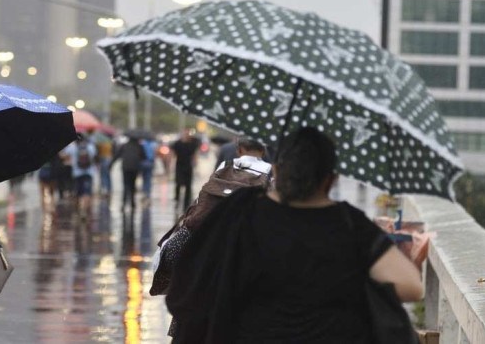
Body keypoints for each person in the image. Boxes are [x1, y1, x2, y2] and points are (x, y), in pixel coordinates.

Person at [166, 127, 424, 343]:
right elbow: (411, 287)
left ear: (276, 170)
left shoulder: (242, 212)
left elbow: (193, 281)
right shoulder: (350, 225)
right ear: (330, 180)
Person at [63, 135, 97, 221]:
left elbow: (64, 156)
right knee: (87, 193)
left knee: (77, 193)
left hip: (76, 174)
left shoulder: (73, 147)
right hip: (89, 173)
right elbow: (95, 156)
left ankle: (78, 210)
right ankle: (84, 210)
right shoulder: (90, 147)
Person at [170, 130, 200, 211]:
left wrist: (195, 163)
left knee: (188, 185)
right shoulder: (177, 144)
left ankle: (186, 203)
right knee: (178, 184)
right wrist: (171, 165)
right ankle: (177, 200)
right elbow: (173, 154)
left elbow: (194, 154)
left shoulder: (192, 144)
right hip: (179, 165)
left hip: (188, 166)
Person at [113, 138, 145, 211]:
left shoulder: (124, 146)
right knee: (132, 185)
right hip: (135, 168)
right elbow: (144, 156)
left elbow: (117, 155)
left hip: (126, 168)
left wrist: (111, 164)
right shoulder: (139, 146)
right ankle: (132, 203)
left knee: (126, 185)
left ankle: (124, 204)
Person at [139, 138, 157, 205]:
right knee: (148, 179)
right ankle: (148, 194)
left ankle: (144, 193)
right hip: (150, 163)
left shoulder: (142, 144)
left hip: (143, 163)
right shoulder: (153, 144)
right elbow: (154, 154)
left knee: (144, 178)